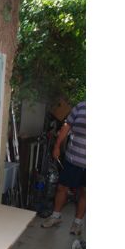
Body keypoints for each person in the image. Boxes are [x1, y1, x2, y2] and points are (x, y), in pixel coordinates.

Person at [41, 100, 86, 235]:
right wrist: (57, 146)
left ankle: (77, 223)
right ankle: (56, 216)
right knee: (62, 187)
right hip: (73, 159)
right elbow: (67, 126)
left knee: (86, 192)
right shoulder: (81, 107)